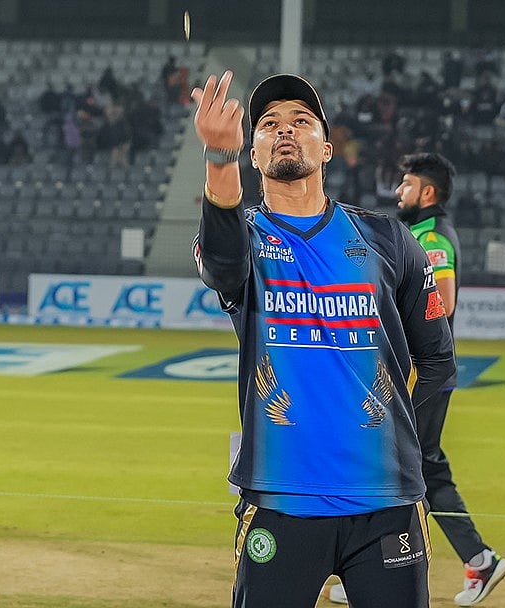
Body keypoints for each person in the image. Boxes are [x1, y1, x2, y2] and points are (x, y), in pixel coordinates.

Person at [190, 72, 456, 608]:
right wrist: (219, 158)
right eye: (268, 124)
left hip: (387, 508)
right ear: (254, 153)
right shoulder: (243, 238)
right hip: (280, 502)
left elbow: (437, 360)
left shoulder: (387, 238)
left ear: (327, 147)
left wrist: (408, 450)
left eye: (301, 121)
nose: (285, 130)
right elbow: (220, 264)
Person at [343, 153, 505, 606]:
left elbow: (444, 301)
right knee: (423, 464)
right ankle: (478, 558)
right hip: (418, 373)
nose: (399, 191)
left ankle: (363, 565)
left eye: (406, 184)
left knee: (387, 460)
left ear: (428, 192)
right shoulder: (417, 233)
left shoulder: (431, 237)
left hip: (423, 373)